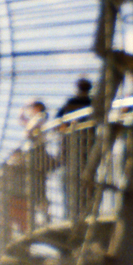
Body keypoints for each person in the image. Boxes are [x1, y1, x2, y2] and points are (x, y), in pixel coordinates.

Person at [57, 78, 95, 218]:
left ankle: (73, 214)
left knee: (71, 182)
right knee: (87, 180)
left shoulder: (70, 103)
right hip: (88, 148)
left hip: (73, 149)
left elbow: (59, 124)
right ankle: (87, 212)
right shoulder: (93, 103)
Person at [20, 100, 55, 226]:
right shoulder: (35, 118)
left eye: (33, 107)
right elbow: (24, 123)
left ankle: (45, 215)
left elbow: (31, 130)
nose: (31, 109)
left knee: (39, 185)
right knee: (34, 186)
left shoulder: (41, 116)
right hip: (32, 152)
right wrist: (22, 112)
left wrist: (29, 132)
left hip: (37, 152)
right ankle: (40, 216)